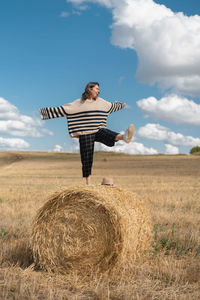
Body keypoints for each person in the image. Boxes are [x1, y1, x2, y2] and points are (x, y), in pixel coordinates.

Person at [39, 82, 134, 185]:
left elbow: (112, 106)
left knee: (107, 133)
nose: (99, 91)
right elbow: (62, 110)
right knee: (87, 157)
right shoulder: (78, 103)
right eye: (97, 88)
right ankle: (88, 184)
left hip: (98, 129)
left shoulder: (101, 102)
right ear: (90, 89)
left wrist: (122, 104)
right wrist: (44, 113)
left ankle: (124, 136)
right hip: (85, 132)